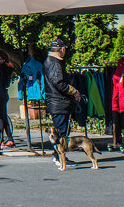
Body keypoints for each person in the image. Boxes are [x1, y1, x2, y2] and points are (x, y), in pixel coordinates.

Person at [43, 38, 79, 169]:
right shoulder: (55, 62)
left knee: (61, 131)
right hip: (59, 102)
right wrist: (74, 91)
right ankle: (59, 158)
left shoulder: (51, 61)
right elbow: (59, 83)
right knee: (61, 133)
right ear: (62, 49)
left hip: (56, 102)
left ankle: (57, 155)